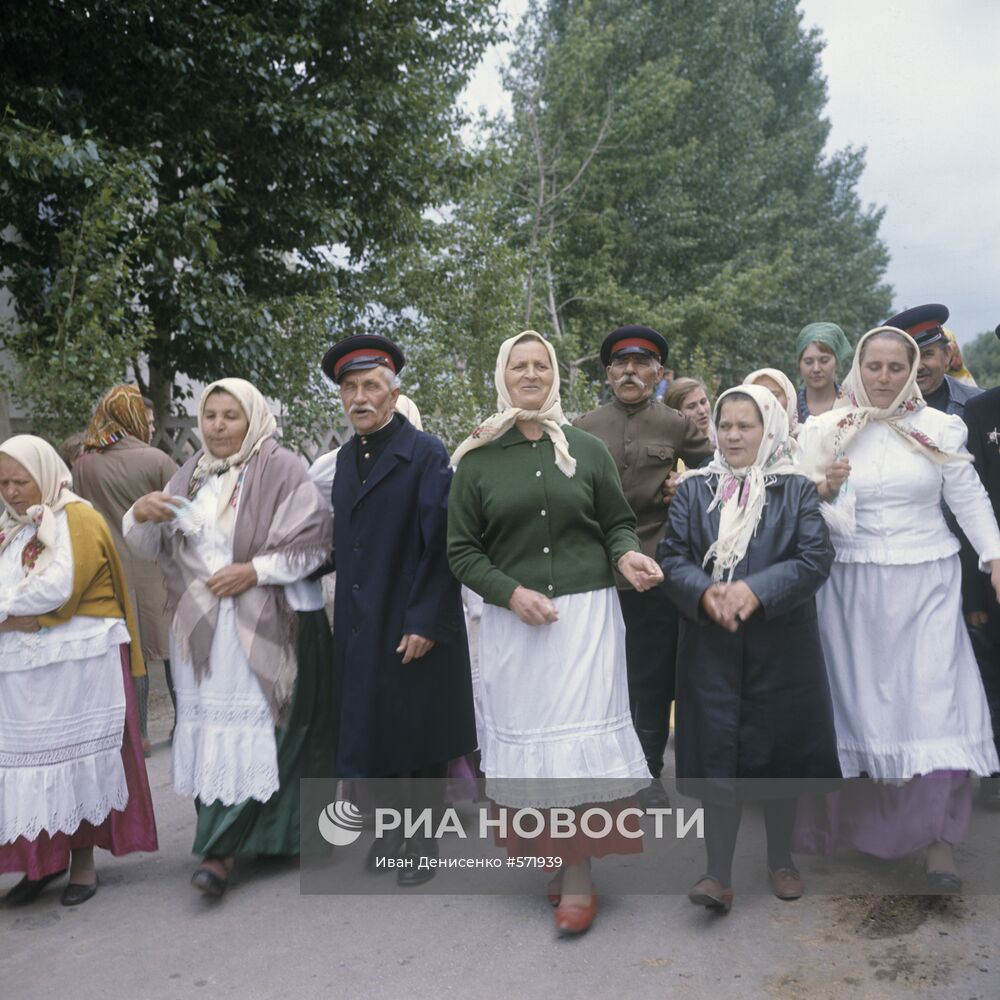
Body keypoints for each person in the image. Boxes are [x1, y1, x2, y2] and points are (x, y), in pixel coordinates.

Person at [448, 330, 663, 937]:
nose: (531, 374)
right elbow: (461, 551)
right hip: (514, 624)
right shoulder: (477, 459)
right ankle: (559, 851)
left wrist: (627, 556)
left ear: (555, 376)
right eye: (519, 365)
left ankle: (577, 875)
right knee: (536, 746)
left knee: (576, 744)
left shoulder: (587, 450)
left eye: (541, 365)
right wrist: (510, 592)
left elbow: (617, 524)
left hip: (586, 620)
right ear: (502, 375)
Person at [795, 327, 1000, 890]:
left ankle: (939, 845)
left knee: (932, 706)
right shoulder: (825, 430)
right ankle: (867, 831)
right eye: (874, 366)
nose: (883, 378)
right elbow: (798, 507)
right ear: (857, 369)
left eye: (895, 367)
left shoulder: (939, 428)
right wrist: (822, 488)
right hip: (851, 586)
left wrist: (994, 556)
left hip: (926, 581)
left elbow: (968, 496)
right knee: (863, 709)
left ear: (911, 371)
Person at [124, 378, 333, 897]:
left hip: (266, 622)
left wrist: (253, 571)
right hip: (203, 629)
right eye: (210, 415)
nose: (218, 426)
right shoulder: (191, 474)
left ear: (253, 419)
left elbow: (314, 545)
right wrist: (139, 516)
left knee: (268, 732)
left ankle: (223, 851)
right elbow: (153, 545)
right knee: (219, 735)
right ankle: (238, 840)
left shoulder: (282, 468)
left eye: (230, 416)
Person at [657, 385, 838, 913]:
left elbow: (814, 557)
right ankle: (716, 873)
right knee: (717, 754)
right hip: (711, 642)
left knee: (779, 752)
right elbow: (672, 555)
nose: (733, 436)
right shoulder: (696, 489)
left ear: (770, 430)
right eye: (725, 425)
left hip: (781, 642)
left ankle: (781, 860)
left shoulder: (795, 489)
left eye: (746, 425)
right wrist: (704, 591)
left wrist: (756, 591)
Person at [320, 335, 477, 887]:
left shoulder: (426, 453)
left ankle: (422, 839)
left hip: (411, 615)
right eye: (350, 388)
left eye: (371, 386)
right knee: (375, 731)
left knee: (419, 735)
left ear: (393, 394)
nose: (360, 398)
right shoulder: (345, 459)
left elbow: (443, 544)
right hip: (363, 618)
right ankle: (390, 831)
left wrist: (425, 620)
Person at [0, 435, 157, 906]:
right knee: (32, 765)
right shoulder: (10, 528)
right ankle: (42, 861)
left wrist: (6, 610)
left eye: (20, 481)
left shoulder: (76, 518)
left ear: (44, 475)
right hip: (25, 671)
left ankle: (82, 865)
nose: (11, 491)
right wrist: (8, 616)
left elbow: (56, 589)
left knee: (75, 762)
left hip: (78, 665)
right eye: (3, 483)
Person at [574, 325, 712, 806]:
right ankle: (601, 770)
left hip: (656, 564)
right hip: (596, 566)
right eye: (620, 364)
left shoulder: (676, 424)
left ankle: (648, 772)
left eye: (640, 364)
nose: (629, 372)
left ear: (659, 373)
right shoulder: (583, 427)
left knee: (651, 676)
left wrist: (687, 485)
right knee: (601, 675)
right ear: (608, 373)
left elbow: (717, 473)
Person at [74, 384, 179, 753]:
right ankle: (183, 724)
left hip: (110, 570)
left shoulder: (84, 463)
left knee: (132, 652)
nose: (150, 427)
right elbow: (182, 507)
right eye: (146, 420)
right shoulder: (156, 459)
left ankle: (139, 733)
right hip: (156, 566)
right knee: (169, 648)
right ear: (132, 417)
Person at [957, 374, 1000, 807]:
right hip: (994, 571)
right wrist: (972, 596)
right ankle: (995, 776)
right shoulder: (982, 410)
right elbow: (970, 503)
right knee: (995, 673)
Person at [884, 304, 980, 417]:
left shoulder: (981, 406)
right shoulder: (880, 411)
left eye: (927, 354)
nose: (919, 367)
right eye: (910, 358)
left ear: (947, 354)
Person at [795, 322, 853, 423]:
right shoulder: (789, 410)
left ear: (837, 363)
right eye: (808, 362)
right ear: (799, 365)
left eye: (824, 360)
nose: (816, 369)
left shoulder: (854, 407)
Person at [743, 368, 799, 437]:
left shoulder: (807, 435)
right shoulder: (737, 437)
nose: (767, 402)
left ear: (789, 398)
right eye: (758, 396)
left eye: (775, 395)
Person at [663, 377, 716, 447]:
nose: (702, 411)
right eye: (691, 407)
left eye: (703, 402)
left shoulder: (722, 435)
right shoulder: (668, 449)